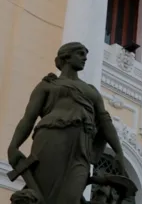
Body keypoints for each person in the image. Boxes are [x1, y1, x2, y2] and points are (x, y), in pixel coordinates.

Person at [7, 42, 126, 204]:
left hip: (81, 148)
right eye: (81, 54)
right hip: (50, 142)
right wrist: (14, 146)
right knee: (44, 193)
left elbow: (105, 123)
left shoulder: (91, 91)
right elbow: (28, 118)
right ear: (66, 57)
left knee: (72, 196)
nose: (85, 59)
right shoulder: (47, 85)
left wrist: (119, 152)